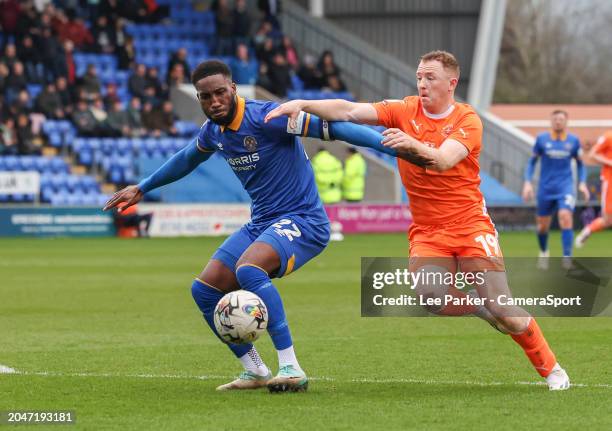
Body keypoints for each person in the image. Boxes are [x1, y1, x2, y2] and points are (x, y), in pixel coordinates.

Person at [265, 50, 571, 391]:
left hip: (470, 224)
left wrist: (411, 142)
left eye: (430, 78)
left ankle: (552, 369)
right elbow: (350, 110)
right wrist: (302, 104)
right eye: (419, 77)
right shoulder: (404, 109)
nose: (422, 84)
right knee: (431, 298)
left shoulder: (468, 120)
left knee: (506, 311)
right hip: (428, 230)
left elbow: (441, 160)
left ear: (451, 83)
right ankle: (480, 309)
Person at [103, 59, 407, 393]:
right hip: (262, 221)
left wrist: (388, 145)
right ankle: (255, 369)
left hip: (304, 219)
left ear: (233, 88)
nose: (215, 101)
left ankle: (290, 366)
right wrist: (142, 187)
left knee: (249, 269)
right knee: (203, 290)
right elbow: (188, 158)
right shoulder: (214, 132)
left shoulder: (268, 117)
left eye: (220, 92)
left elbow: (333, 128)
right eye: (206, 97)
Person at [522, 110, 588, 268]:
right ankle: (544, 252)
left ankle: (567, 257)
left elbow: (580, 164)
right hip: (545, 188)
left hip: (565, 187)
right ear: (551, 121)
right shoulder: (542, 139)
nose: (558, 122)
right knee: (542, 226)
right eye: (555, 119)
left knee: (565, 217)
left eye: (561, 119)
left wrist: (582, 183)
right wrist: (528, 182)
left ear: (566, 122)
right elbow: (532, 163)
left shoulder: (573, 141)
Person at [575, 130, 612, 247]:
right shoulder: (609, 136)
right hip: (610, 180)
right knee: (608, 220)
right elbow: (592, 154)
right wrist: (610, 162)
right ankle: (588, 230)